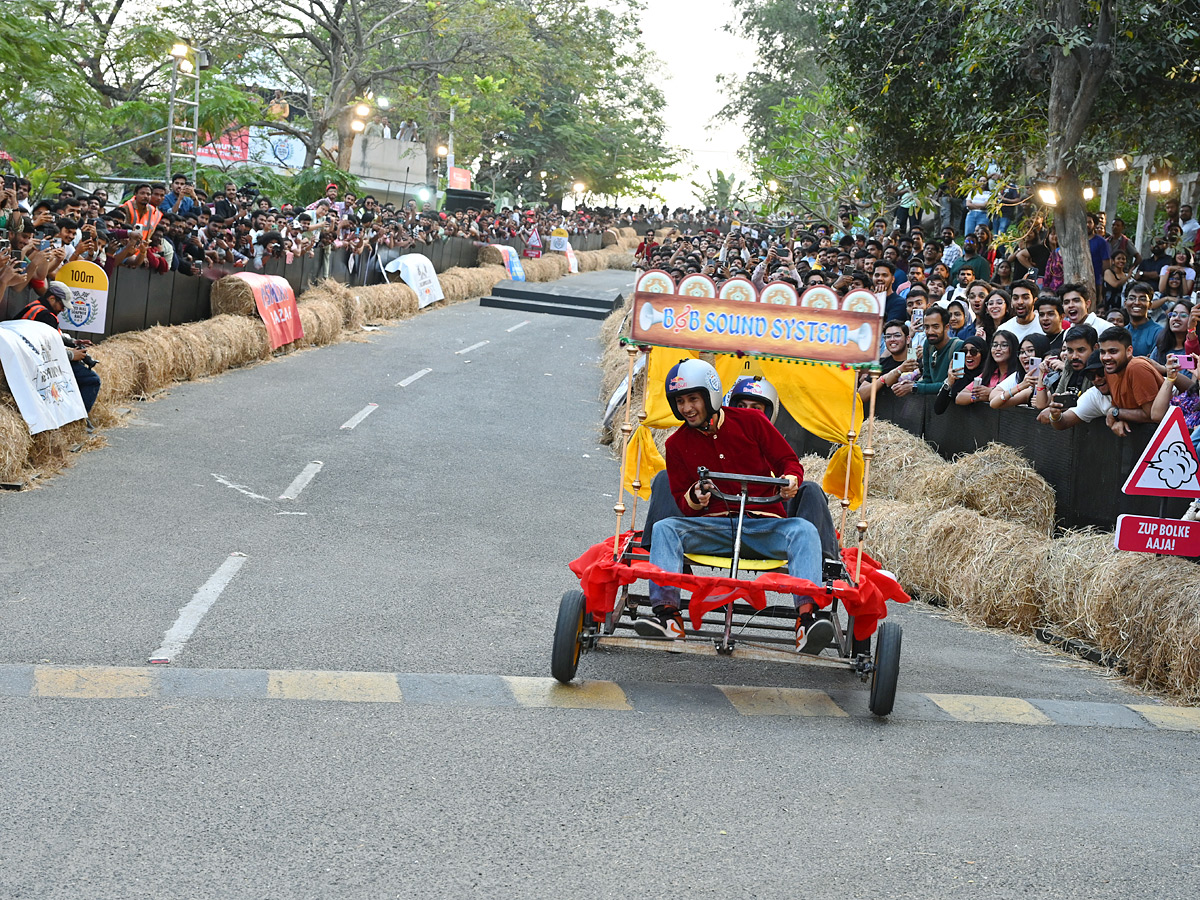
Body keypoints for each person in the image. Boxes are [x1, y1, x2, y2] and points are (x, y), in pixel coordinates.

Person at [640, 360, 828, 653]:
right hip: (715, 527)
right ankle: (668, 616)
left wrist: (791, 479)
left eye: (693, 399)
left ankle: (807, 620)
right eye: (680, 401)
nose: (687, 408)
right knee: (665, 528)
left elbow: (788, 462)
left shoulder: (753, 422)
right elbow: (682, 501)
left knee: (804, 530)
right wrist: (695, 496)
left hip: (762, 524)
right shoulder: (677, 444)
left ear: (711, 395)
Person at [16, 281, 101, 416]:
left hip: (25, 359)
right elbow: (47, 350)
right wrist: (72, 355)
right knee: (92, 380)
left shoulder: (35, 307)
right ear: (52, 299)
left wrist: (73, 342)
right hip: (35, 364)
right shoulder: (46, 316)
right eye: (62, 305)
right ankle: (78, 420)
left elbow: (53, 336)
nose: (63, 310)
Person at [1098, 326, 1165, 436]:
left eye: (1113, 351)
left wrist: (1116, 413)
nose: (1106, 357)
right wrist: (1119, 418)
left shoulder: (1136, 367)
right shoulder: (1110, 369)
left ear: (1129, 351)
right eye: (1102, 352)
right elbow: (1120, 407)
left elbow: (1151, 415)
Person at [1038, 351, 1113, 430]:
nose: (1097, 378)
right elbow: (1064, 422)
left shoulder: (1126, 386)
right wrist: (1055, 416)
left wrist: (1117, 413)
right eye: (1091, 376)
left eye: (1101, 373)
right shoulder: (1094, 395)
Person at [1031, 324, 1099, 408]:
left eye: (1081, 350)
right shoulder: (1069, 365)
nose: (1074, 356)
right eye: (1070, 351)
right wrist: (1042, 373)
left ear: (1095, 348)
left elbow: (1089, 406)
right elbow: (1049, 403)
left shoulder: (1100, 371)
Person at [991, 333, 1050, 408]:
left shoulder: (1051, 375)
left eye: (1030, 350)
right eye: (1021, 352)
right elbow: (993, 397)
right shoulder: (1019, 375)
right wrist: (1021, 386)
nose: (1024, 356)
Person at [863, 320, 918, 401]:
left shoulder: (917, 361)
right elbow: (862, 395)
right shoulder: (881, 364)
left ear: (908, 339)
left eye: (897, 335)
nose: (892, 339)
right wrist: (884, 378)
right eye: (888, 336)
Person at [914, 304, 962, 394]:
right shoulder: (928, 344)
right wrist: (911, 384)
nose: (930, 332)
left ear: (946, 327)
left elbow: (953, 384)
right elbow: (927, 379)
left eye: (935, 327)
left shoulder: (958, 346)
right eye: (927, 327)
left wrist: (915, 387)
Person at [935, 335, 988, 413]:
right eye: (964, 352)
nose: (968, 355)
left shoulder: (989, 375)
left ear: (982, 354)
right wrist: (949, 383)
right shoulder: (957, 376)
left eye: (973, 352)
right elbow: (938, 409)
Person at [1122, 281, 1163, 357]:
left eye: (1143, 299)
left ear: (1150, 305)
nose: (1137, 302)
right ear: (1125, 303)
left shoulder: (1159, 332)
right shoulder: (1121, 333)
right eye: (1132, 298)